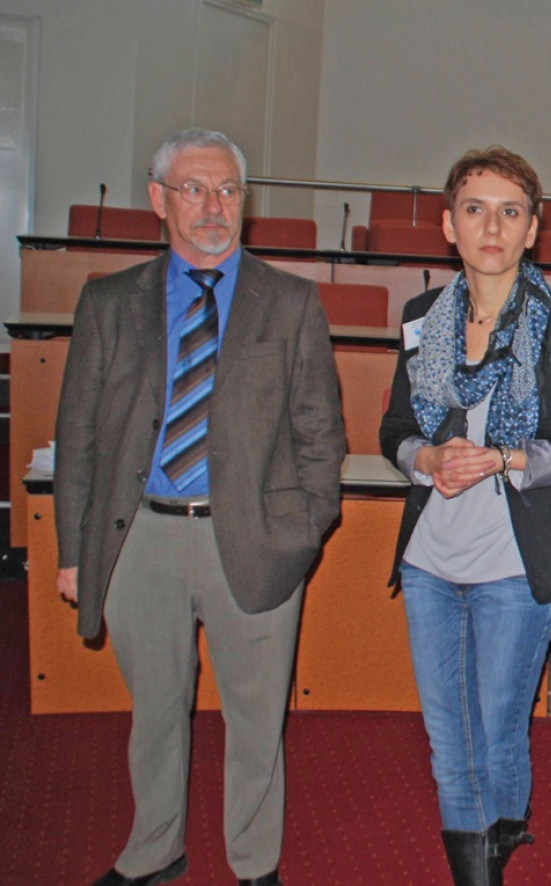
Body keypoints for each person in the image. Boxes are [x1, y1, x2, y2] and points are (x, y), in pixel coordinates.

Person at [54, 129, 345, 886]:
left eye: (227, 191)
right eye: (193, 189)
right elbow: (78, 437)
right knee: (155, 716)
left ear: (244, 203)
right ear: (159, 199)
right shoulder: (109, 302)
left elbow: (321, 436)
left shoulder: (291, 303)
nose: (212, 207)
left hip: (251, 541)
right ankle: (155, 851)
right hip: (138, 542)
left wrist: (301, 535)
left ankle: (255, 864)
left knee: (256, 722)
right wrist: (71, 555)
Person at [379, 146, 551, 886]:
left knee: (497, 738)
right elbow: (393, 431)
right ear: (449, 225)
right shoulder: (421, 318)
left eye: (511, 211)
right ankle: (486, 862)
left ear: (533, 229)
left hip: (516, 563)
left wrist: (504, 459)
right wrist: (427, 459)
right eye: (476, 209)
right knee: (449, 742)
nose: (492, 225)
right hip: (430, 563)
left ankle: (493, 850)